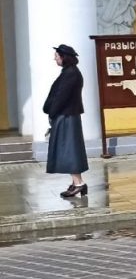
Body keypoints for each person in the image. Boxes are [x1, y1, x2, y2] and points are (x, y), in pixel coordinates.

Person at [43, 44, 88, 200]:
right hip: (67, 115)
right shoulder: (70, 72)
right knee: (70, 149)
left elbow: (61, 97)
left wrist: (52, 112)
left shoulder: (70, 74)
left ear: (63, 57)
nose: (54, 58)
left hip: (66, 116)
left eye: (56, 56)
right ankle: (76, 183)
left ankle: (79, 183)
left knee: (70, 150)